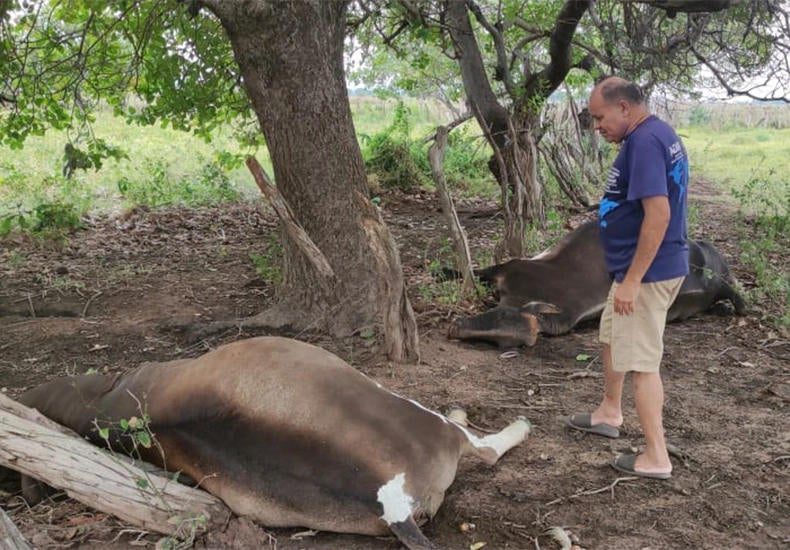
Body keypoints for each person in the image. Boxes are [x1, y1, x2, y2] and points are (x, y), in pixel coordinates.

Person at [566, 76, 689, 480]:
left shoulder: (645, 144)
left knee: (642, 362)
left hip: (648, 273)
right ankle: (609, 410)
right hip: (638, 269)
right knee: (609, 336)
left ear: (624, 107)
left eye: (600, 117)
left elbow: (659, 215)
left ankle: (656, 455)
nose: (597, 126)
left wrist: (634, 280)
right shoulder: (656, 134)